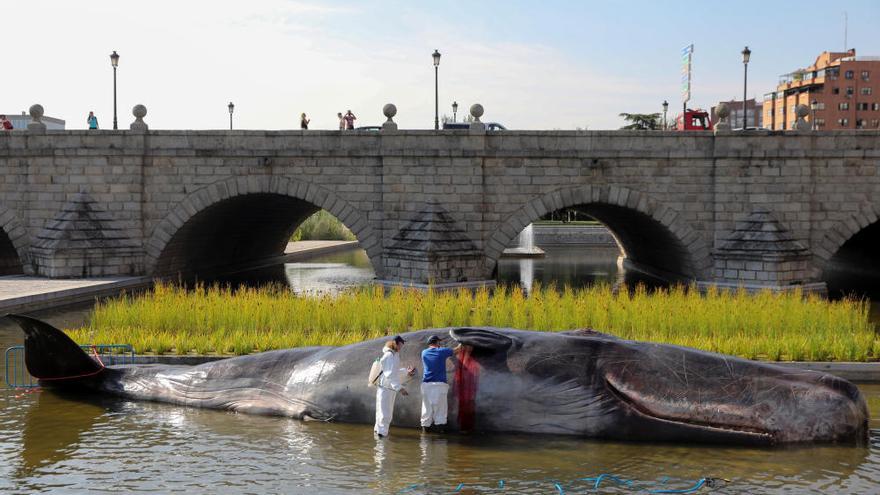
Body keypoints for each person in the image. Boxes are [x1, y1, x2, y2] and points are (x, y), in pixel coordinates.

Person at [374, 335, 415, 438]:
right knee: (385, 414)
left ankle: (379, 436)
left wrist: (406, 372)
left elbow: (393, 372)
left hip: (388, 389)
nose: (402, 346)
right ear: (396, 343)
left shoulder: (393, 354)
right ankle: (382, 439)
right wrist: (400, 388)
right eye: (401, 344)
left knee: (382, 413)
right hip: (386, 389)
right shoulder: (389, 355)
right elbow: (390, 375)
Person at [420, 335, 458, 433]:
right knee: (440, 410)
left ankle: (425, 434)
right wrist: (462, 342)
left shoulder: (424, 352)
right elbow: (456, 350)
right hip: (439, 385)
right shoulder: (442, 351)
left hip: (426, 385)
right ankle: (440, 437)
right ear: (437, 343)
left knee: (426, 409)